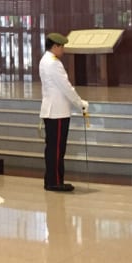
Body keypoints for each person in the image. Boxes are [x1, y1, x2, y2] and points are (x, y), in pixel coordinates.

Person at [39, 32, 89, 192]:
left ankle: (51, 180)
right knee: (57, 149)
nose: (63, 50)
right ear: (55, 46)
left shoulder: (45, 60)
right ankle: (55, 182)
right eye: (62, 47)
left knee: (52, 148)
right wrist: (80, 103)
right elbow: (66, 87)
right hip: (58, 112)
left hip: (51, 110)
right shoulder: (54, 63)